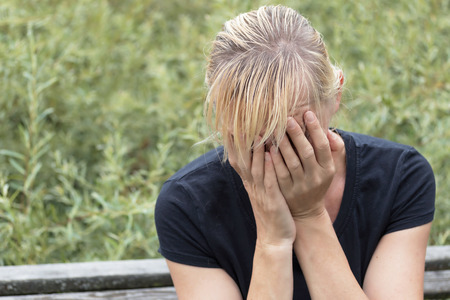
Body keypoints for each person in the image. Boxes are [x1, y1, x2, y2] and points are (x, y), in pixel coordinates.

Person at [155, 5, 435, 299]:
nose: (273, 150)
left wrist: (309, 214)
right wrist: (272, 240)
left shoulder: (400, 177)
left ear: (335, 95)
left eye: (292, 129)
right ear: (222, 115)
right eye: (252, 131)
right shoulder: (187, 204)